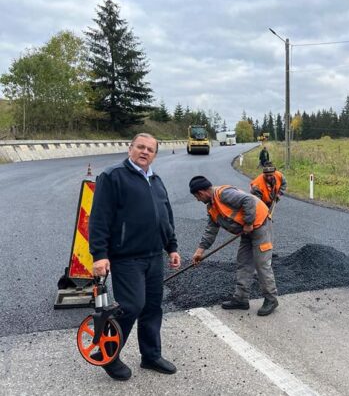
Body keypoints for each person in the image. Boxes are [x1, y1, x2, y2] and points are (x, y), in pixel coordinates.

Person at [89, 133, 181, 381]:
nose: (145, 152)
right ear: (130, 149)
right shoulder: (113, 176)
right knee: (131, 306)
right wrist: (99, 254)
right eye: (140, 147)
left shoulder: (156, 180)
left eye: (150, 149)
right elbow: (99, 217)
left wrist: (171, 247)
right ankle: (107, 354)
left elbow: (166, 216)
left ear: (155, 155)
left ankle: (150, 356)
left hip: (154, 256)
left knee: (152, 307)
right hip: (126, 257)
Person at [189, 176, 279, 316]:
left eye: (197, 197)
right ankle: (241, 299)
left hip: (260, 225)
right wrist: (199, 252)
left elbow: (248, 200)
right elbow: (211, 230)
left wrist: (248, 222)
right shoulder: (211, 207)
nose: (197, 200)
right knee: (243, 262)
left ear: (201, 193)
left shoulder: (223, 194)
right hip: (247, 230)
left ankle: (271, 299)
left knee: (261, 263)